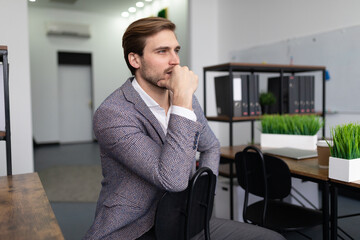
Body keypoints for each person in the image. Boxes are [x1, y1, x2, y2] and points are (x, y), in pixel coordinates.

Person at [83, 17, 220, 240]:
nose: (175, 61)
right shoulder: (112, 113)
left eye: (176, 50)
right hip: (135, 228)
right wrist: (182, 100)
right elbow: (172, 179)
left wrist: (203, 199)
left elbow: (211, 146)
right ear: (135, 59)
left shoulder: (187, 101)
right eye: (162, 51)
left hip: (184, 218)